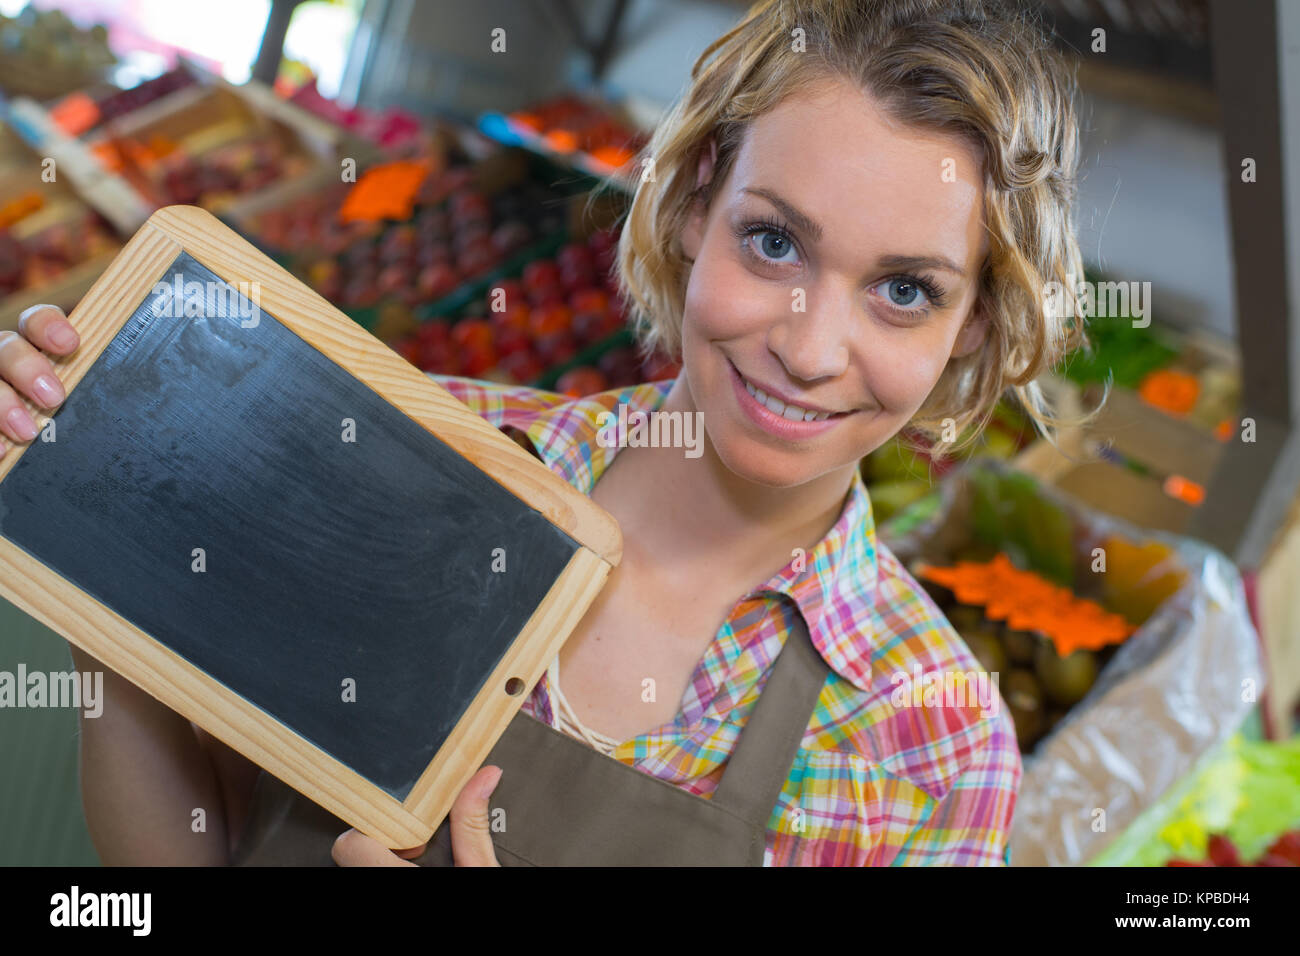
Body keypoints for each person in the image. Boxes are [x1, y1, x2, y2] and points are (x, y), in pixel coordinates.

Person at [0, 0, 1087, 866]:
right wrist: (108, 557)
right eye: (773, 242)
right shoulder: (423, 450)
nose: (809, 348)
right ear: (695, 206)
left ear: (975, 323)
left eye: (904, 288)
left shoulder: (931, 743)